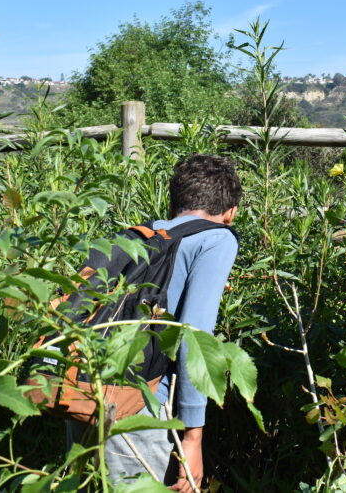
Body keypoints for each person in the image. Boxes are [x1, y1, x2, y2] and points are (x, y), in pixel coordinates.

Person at [67, 154, 242, 491]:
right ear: (230, 212)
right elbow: (194, 338)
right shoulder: (217, 239)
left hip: (87, 394)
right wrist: (192, 438)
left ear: (173, 203)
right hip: (141, 407)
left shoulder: (144, 235)